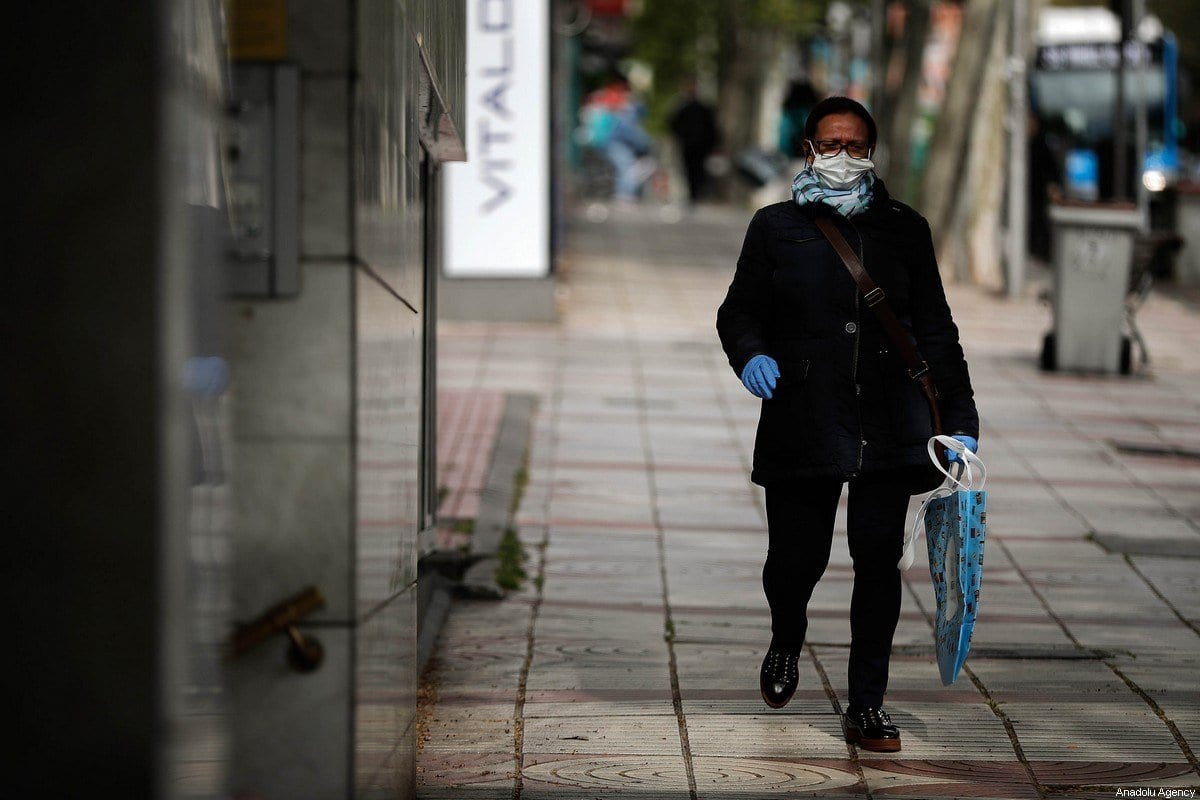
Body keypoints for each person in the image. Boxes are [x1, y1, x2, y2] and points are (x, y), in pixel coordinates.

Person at [715, 96, 979, 753]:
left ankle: (867, 705)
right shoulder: (775, 226)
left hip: (890, 422)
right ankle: (787, 634)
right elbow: (738, 311)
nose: (842, 156)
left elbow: (935, 329)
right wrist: (751, 355)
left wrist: (961, 419)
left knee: (878, 564)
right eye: (830, 144)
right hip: (804, 416)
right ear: (807, 150)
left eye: (855, 145)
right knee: (794, 560)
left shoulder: (905, 228)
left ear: (872, 151)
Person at [668, 80, 719, 203]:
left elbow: (673, 125)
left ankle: (695, 193)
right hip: (695, 144)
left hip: (693, 144)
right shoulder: (696, 108)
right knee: (695, 169)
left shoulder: (685, 108)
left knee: (693, 169)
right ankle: (696, 193)